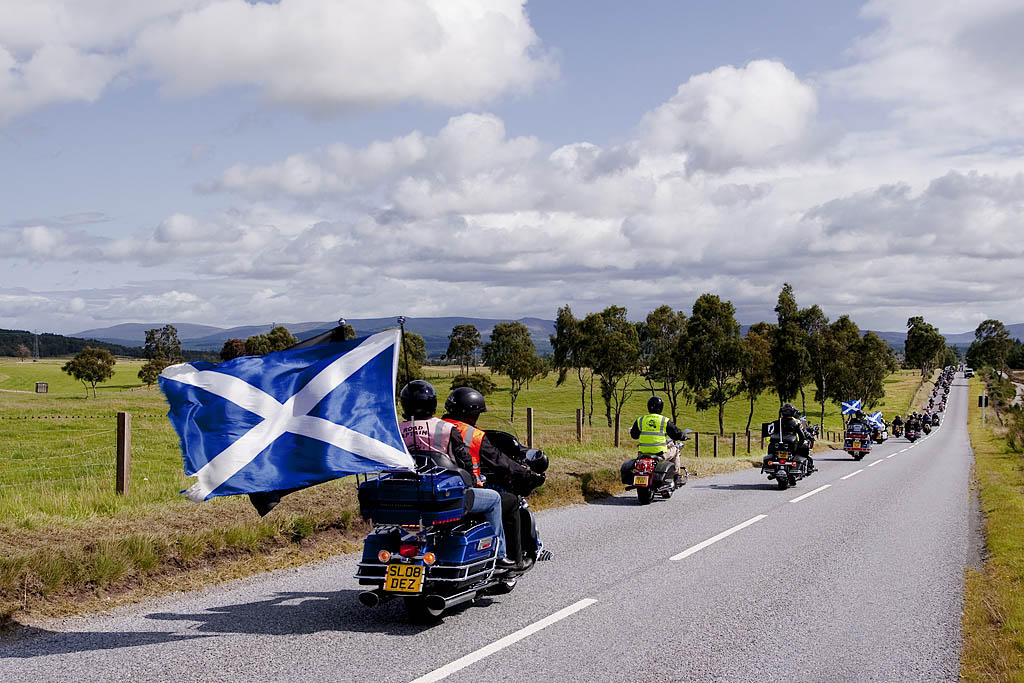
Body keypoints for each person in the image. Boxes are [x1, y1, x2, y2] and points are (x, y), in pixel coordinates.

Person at [398, 380, 517, 570]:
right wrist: (471, 481)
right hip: (443, 498)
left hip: (405, 497)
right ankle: (499, 554)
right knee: (494, 499)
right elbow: (465, 463)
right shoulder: (445, 428)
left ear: (404, 403)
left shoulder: (396, 431)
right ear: (433, 403)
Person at [441, 386, 545, 570]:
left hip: (440, 490)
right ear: (472, 414)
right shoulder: (473, 435)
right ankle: (513, 558)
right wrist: (527, 474)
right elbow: (500, 461)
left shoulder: (437, 427)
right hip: (465, 491)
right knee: (511, 502)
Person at [630, 396, 687, 487]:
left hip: (642, 454)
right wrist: (683, 436)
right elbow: (676, 434)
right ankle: (677, 476)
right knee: (676, 450)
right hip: (660, 453)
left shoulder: (641, 420)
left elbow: (634, 435)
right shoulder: (664, 420)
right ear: (661, 408)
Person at [766, 403, 815, 473]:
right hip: (791, 446)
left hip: (778, 447)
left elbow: (768, 433)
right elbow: (802, 434)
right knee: (804, 446)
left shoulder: (776, 423)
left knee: (771, 446)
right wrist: (808, 437)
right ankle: (806, 467)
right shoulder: (796, 423)